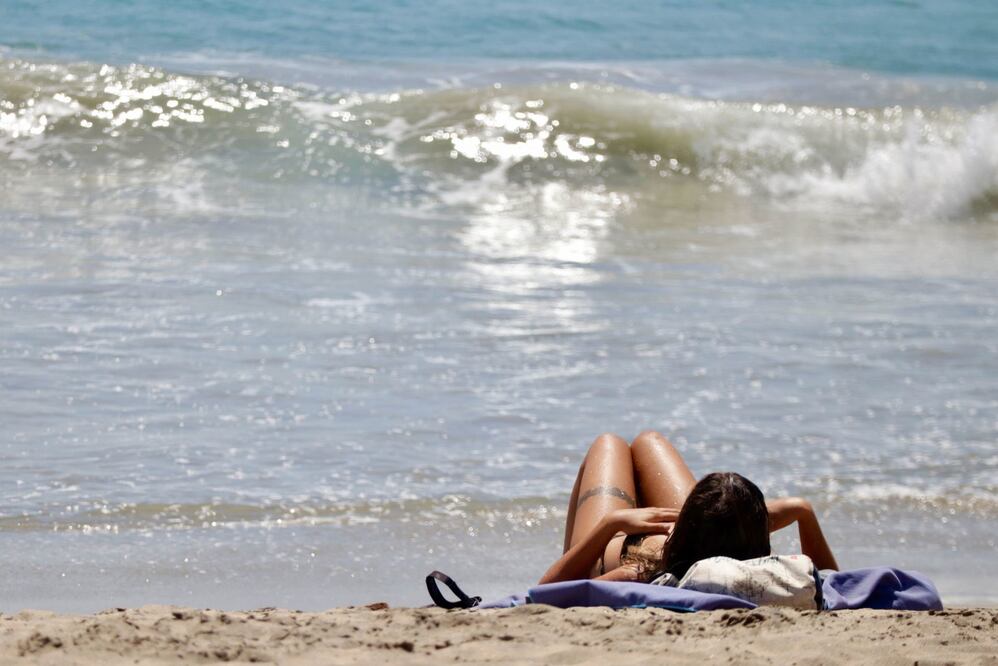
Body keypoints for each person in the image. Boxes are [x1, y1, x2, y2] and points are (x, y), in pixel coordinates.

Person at [538, 431, 838, 585]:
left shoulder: (638, 573)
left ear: (686, 527)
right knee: (649, 440)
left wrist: (612, 524)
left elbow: (545, 592)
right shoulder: (749, 565)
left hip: (604, 550)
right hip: (705, 535)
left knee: (608, 443)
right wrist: (801, 510)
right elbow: (832, 583)